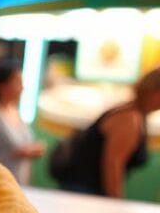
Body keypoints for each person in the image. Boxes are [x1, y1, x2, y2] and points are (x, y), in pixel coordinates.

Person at [53, 67, 160, 198]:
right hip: (86, 192)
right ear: (154, 91)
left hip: (82, 189)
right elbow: (113, 165)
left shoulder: (129, 112)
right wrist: (115, 201)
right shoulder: (130, 118)